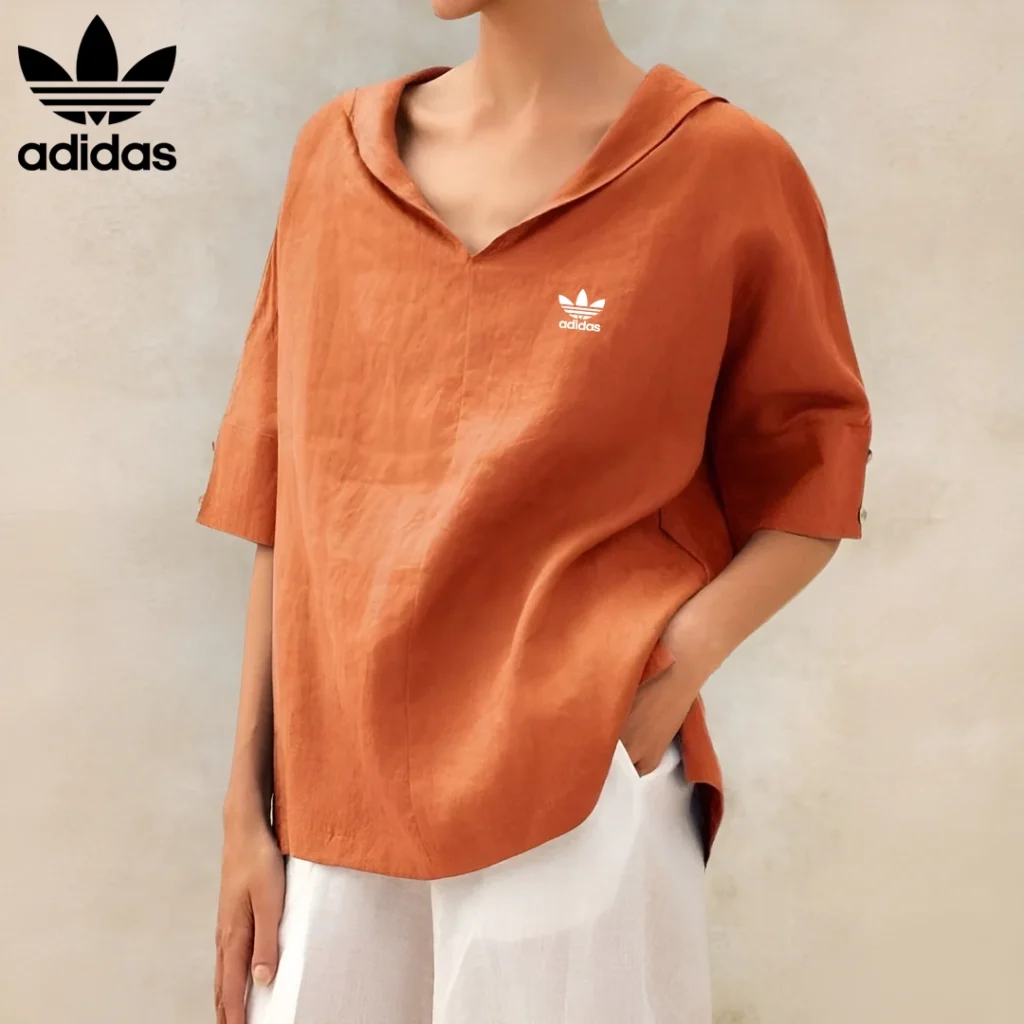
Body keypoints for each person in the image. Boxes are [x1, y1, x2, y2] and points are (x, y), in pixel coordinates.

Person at [196, 1, 872, 1021]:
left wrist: (679, 660)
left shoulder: (725, 165)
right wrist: (245, 813)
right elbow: (284, 506)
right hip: (332, 796)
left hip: (580, 779)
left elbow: (813, 465)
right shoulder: (333, 157)